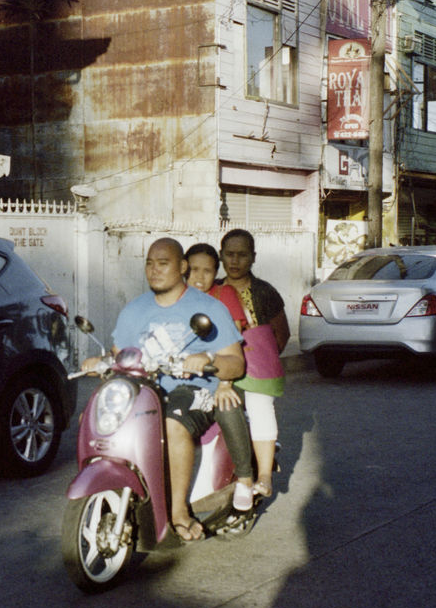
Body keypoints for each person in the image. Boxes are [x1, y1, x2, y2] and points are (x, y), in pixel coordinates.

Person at [84, 238, 245, 542]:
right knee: (96, 418)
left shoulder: (209, 308)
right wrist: (100, 362)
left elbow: (236, 363)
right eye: (149, 263)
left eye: (163, 263)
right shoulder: (134, 309)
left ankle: (179, 511)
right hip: (142, 391)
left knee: (172, 424)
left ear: (182, 267)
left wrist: (208, 360)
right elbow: (120, 357)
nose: (154, 270)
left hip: (194, 391)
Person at [183, 243, 258, 512]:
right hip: (182, 377)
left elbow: (233, 343)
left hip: (223, 374)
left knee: (226, 405)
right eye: (193, 270)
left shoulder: (223, 294)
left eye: (207, 271)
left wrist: (224, 383)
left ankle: (245, 478)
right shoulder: (177, 298)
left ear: (216, 273)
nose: (199, 277)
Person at [218, 228, 289, 498]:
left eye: (242, 255)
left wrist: (262, 359)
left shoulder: (265, 292)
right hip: (221, 367)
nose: (235, 261)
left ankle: (264, 476)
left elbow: (281, 334)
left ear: (253, 257)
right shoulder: (214, 290)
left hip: (257, 370)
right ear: (221, 256)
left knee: (259, 406)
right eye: (229, 254)